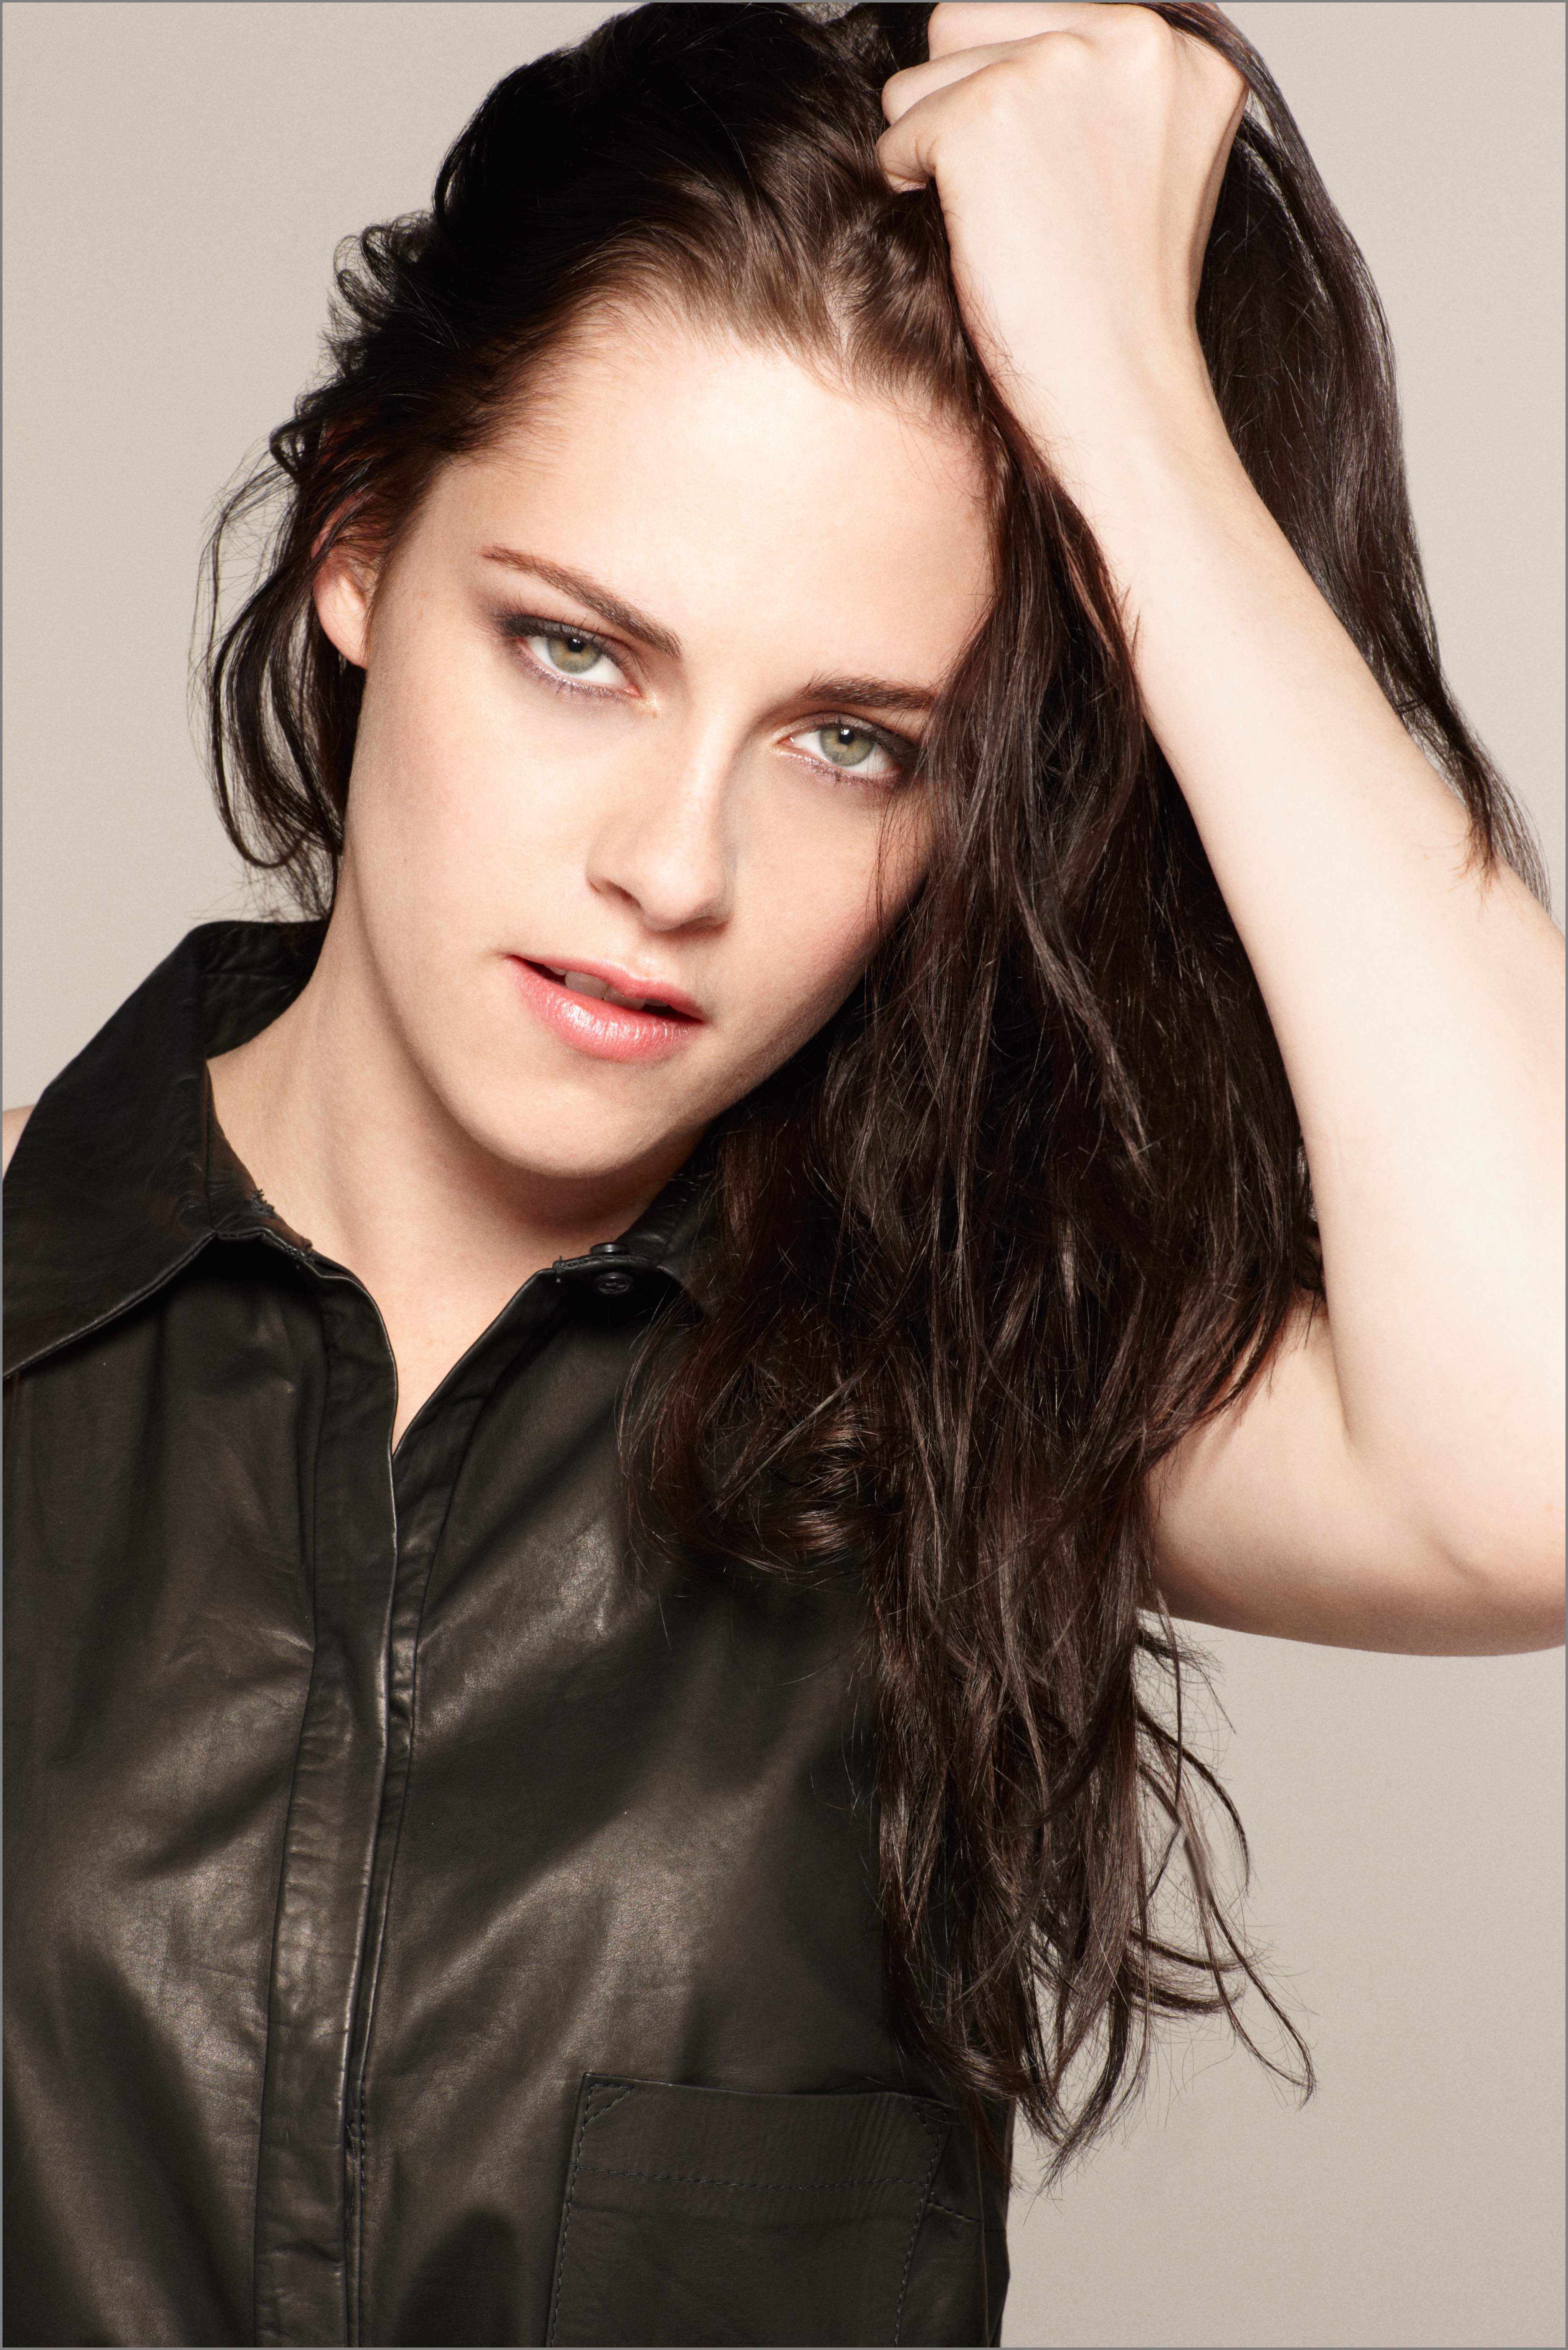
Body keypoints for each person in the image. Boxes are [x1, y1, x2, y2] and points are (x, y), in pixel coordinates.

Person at [4, 3, 1562, 2344]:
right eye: (574, 650)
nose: (675, 866)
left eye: (853, 743)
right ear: (360, 549)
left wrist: (1136, 419)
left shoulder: (967, 1374)